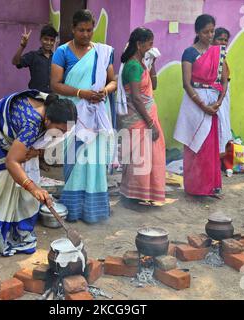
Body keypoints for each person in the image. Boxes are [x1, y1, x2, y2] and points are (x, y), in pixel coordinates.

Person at [0, 91, 77, 256]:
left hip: (21, 136)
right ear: (47, 120)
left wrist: (34, 152)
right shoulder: (30, 125)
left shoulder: (54, 110)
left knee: (26, 181)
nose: (62, 135)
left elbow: (38, 145)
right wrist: (33, 188)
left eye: (65, 131)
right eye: (59, 130)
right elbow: (11, 162)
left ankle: (19, 231)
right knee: (0, 185)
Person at [51, 9, 117, 223]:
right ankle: (73, 208)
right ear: (73, 29)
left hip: (97, 111)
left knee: (95, 160)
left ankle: (94, 210)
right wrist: (82, 93)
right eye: (81, 30)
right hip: (73, 112)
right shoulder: (62, 52)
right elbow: (56, 84)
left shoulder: (102, 52)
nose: (86, 34)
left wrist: (104, 91)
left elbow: (113, 81)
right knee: (75, 158)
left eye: (89, 30)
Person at [173, 14, 229, 198]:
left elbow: (224, 80)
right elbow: (186, 83)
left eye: (212, 31)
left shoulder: (218, 52)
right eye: (206, 32)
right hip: (194, 102)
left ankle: (210, 186)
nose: (210, 35)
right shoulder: (189, 53)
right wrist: (202, 105)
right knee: (195, 145)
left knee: (209, 147)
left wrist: (219, 101)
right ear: (197, 32)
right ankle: (195, 188)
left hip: (213, 103)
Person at [117, 27, 166, 210]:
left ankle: (144, 194)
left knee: (150, 155)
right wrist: (150, 123)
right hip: (140, 117)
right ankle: (133, 196)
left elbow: (154, 84)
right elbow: (137, 98)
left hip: (145, 115)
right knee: (140, 157)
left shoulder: (141, 63)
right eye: (150, 44)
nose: (152, 47)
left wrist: (153, 63)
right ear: (139, 44)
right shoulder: (132, 66)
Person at [11, 24, 58, 93]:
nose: (49, 43)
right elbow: (15, 62)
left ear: (54, 42)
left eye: (52, 40)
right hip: (35, 97)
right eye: (46, 39)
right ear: (40, 39)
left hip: (52, 98)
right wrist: (22, 46)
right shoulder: (33, 56)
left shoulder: (57, 58)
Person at [213, 27, 232, 156]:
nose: (224, 42)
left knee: (222, 127)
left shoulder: (222, 57)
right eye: (220, 39)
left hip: (222, 96)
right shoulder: (214, 57)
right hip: (216, 95)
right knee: (218, 127)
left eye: (226, 40)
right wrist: (219, 100)